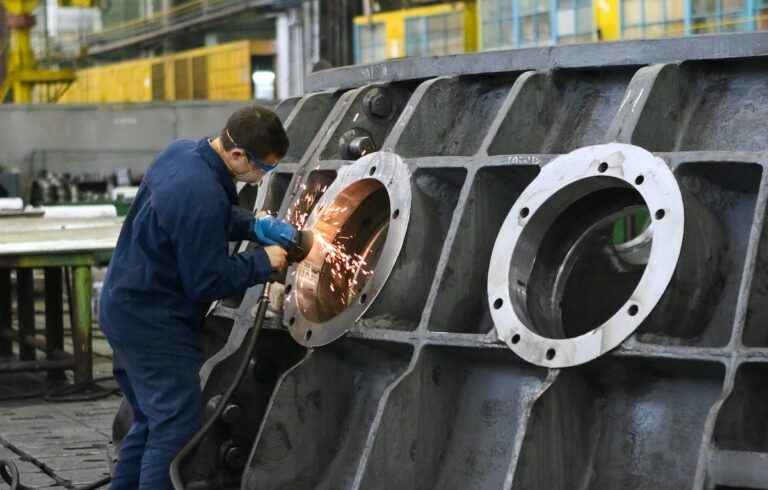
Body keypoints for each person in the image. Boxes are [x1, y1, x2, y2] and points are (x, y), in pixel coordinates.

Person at [99, 105, 289, 489]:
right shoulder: (199, 191)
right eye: (263, 168)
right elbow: (206, 281)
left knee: (149, 420)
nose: (262, 176)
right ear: (238, 155)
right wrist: (263, 262)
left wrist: (255, 226)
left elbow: (205, 215)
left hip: (125, 307)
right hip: (154, 324)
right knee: (173, 429)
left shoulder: (183, 154)